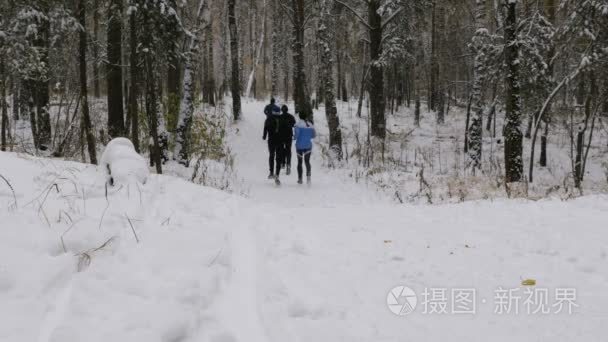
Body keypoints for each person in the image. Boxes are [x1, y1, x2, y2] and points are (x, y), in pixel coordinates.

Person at [263, 106, 292, 185]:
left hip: (271, 140)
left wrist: (264, 136)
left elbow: (265, 128)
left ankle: (271, 172)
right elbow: (286, 130)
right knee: (278, 158)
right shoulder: (283, 119)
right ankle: (277, 175)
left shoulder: (268, 119)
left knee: (271, 155)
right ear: (279, 112)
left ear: (272, 112)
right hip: (280, 141)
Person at [294, 112, 316, 185]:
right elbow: (313, 136)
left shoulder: (297, 125)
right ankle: (308, 177)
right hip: (308, 146)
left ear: (299, 117)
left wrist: (294, 137)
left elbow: (296, 136)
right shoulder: (310, 125)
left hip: (299, 146)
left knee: (299, 162)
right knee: (307, 161)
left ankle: (300, 179)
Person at [280, 105, 296, 175]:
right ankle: (288, 165)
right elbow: (293, 124)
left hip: (281, 136)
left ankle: (283, 163)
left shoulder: (279, 117)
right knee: (288, 150)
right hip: (289, 136)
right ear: (287, 110)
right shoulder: (291, 117)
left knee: (282, 149)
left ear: (281, 110)